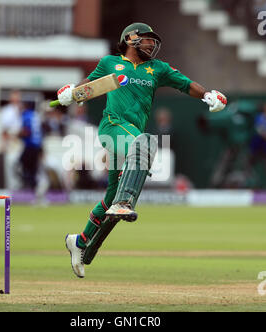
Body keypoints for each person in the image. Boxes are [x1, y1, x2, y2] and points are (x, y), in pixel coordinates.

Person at [57, 23, 227, 278]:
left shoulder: (157, 69)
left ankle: (79, 241)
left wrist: (207, 96)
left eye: (152, 40)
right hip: (112, 126)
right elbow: (90, 86)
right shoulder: (110, 63)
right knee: (144, 143)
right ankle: (125, 203)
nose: (151, 44)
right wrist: (71, 93)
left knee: (111, 195)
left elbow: (186, 84)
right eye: (146, 39)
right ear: (130, 38)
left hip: (131, 133)